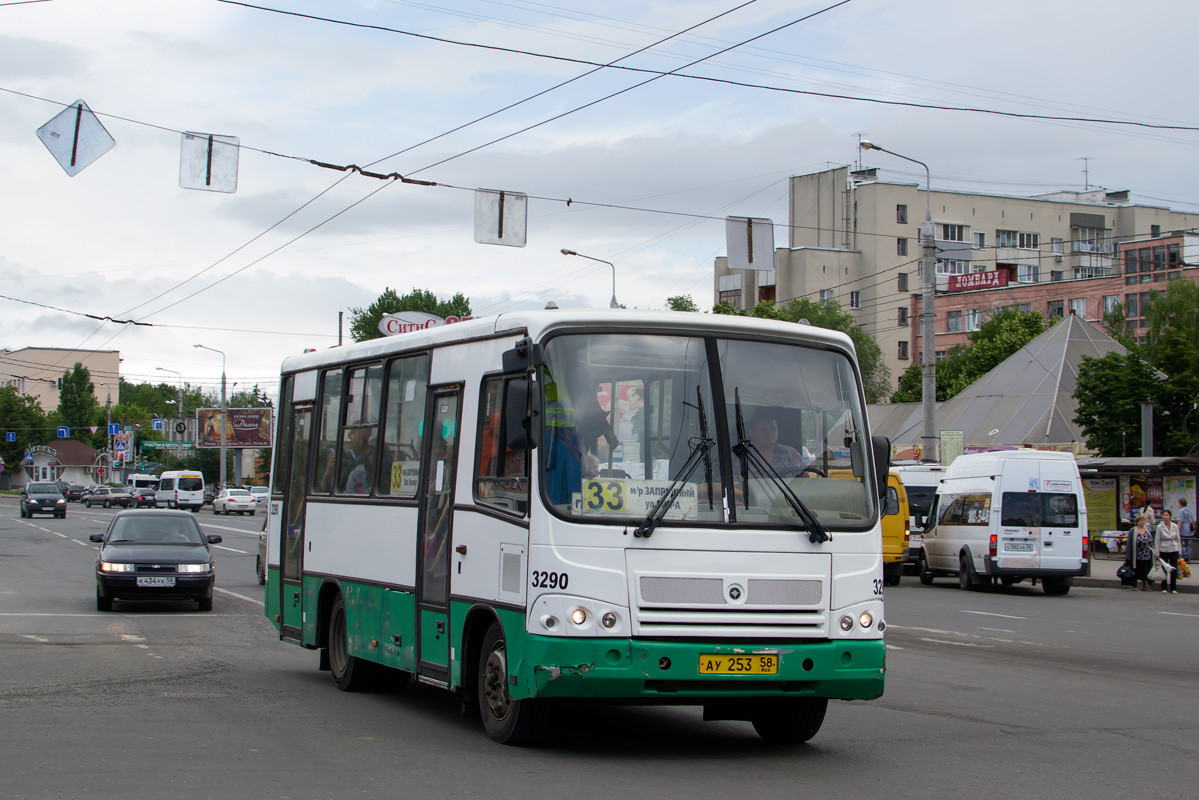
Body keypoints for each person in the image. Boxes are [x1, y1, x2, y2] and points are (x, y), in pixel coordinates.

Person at [742, 410, 807, 478]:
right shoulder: (742, 458)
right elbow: (735, 485)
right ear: (752, 433)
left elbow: (805, 483)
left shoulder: (791, 455)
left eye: (773, 429)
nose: (769, 433)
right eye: (763, 429)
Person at [1155, 509, 1182, 594]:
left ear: (1170, 516)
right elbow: (1157, 540)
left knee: (1173, 568)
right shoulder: (1160, 527)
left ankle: (1173, 588)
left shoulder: (1175, 526)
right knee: (1164, 568)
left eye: (1166, 515)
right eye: (1163, 515)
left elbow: (1178, 539)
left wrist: (1180, 551)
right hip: (1164, 549)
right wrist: (1157, 553)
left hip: (1174, 548)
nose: (1165, 517)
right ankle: (1164, 587)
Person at [1129, 514, 1155, 591]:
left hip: (1146, 554)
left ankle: (1144, 586)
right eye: (1141, 520)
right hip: (1137, 554)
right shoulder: (1133, 530)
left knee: (1146, 570)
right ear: (1137, 522)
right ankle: (1135, 585)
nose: (1143, 522)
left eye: (1144, 520)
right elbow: (1130, 543)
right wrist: (1128, 554)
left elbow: (1151, 540)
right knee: (1136, 569)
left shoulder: (1147, 530)